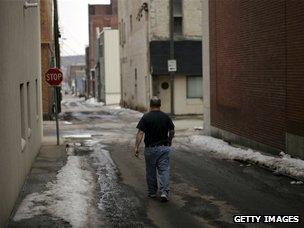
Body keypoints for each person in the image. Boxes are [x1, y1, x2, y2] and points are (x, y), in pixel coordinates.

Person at [134, 97, 175, 202]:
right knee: (164, 170)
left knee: (151, 171)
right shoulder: (166, 117)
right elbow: (172, 131)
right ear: (160, 105)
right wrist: (169, 140)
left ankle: (152, 193)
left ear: (150, 105)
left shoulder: (146, 117)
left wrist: (136, 147)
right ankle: (164, 192)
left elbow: (140, 133)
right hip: (164, 148)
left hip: (150, 149)